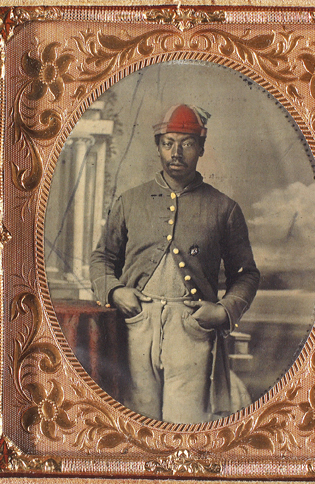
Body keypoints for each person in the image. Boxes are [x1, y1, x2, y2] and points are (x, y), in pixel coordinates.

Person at [90, 104, 260, 424]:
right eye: (168, 143)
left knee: (185, 426)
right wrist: (114, 292)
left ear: (201, 148)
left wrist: (223, 311)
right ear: (158, 147)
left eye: (187, 144)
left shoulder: (224, 208)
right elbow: (102, 258)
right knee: (137, 423)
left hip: (192, 328)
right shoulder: (130, 201)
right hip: (135, 325)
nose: (176, 153)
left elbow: (246, 274)